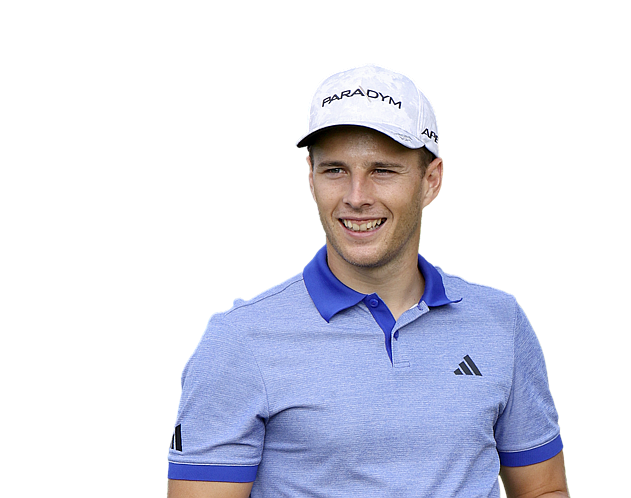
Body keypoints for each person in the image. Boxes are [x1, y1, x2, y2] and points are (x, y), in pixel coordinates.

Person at [167, 63, 569, 498]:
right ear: (310, 177)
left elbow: (542, 490)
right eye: (335, 170)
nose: (356, 197)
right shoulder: (238, 340)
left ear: (431, 180)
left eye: (383, 170)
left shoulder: (501, 321)